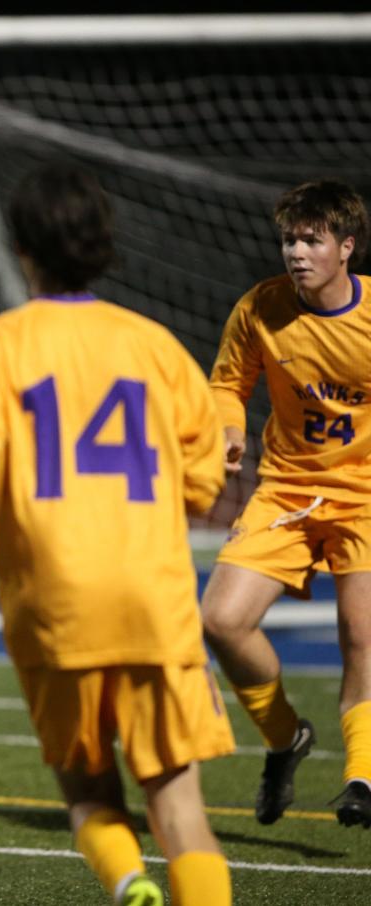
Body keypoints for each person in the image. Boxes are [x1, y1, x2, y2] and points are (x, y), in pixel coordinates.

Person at [0, 164, 233, 906]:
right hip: (152, 599)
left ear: (22, 248)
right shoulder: (156, 345)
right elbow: (204, 485)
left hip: (58, 601)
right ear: (102, 244)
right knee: (181, 809)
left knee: (90, 792)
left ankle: (129, 882)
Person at [202, 178, 371, 830]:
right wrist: (226, 430)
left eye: (312, 240)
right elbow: (227, 384)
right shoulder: (261, 308)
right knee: (221, 620)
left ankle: (361, 777)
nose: (297, 252)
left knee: (361, 636)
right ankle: (284, 737)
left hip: (364, 496)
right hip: (289, 490)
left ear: (346, 246)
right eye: (289, 239)